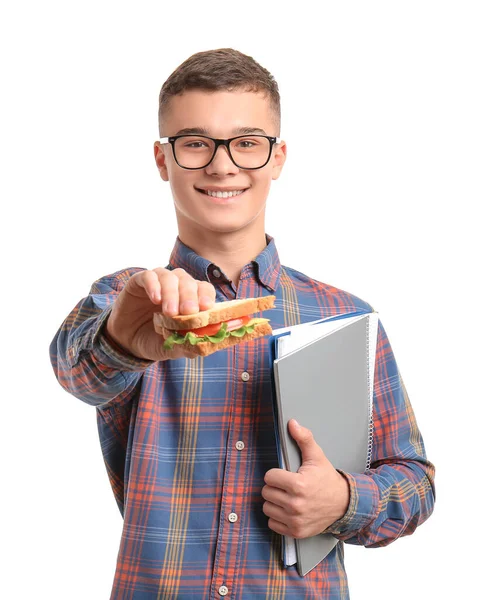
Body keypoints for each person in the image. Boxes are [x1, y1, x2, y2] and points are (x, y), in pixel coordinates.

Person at [50, 48, 436, 599]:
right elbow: (80, 374)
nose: (222, 165)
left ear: (277, 157)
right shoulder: (129, 299)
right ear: (163, 160)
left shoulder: (346, 317)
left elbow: (416, 483)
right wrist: (126, 343)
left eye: (247, 143)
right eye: (195, 143)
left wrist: (345, 500)